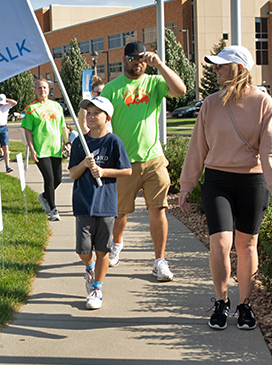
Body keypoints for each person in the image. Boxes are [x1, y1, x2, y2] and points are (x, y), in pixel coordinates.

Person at [178, 45, 272, 330]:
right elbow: (197, 147)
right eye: (214, 66)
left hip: (252, 180)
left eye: (220, 66)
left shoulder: (262, 102)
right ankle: (222, 301)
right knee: (220, 243)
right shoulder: (210, 104)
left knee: (247, 245)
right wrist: (186, 184)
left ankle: (245, 304)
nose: (215, 70)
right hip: (217, 181)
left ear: (238, 68)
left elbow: (270, 148)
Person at [100, 41, 186, 279]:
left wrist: (160, 64)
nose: (138, 62)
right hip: (124, 163)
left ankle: (160, 260)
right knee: (120, 213)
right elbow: (102, 121)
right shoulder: (112, 89)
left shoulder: (155, 82)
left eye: (142, 58)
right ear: (125, 59)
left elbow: (180, 90)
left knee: (158, 209)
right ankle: (116, 244)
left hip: (154, 159)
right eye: (133, 58)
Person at [69, 97, 131, 309]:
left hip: (106, 204)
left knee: (103, 249)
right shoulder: (80, 142)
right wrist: (84, 164)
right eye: (89, 112)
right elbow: (72, 174)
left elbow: (127, 170)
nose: (91, 116)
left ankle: (97, 288)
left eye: (97, 112)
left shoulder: (113, 142)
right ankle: (90, 267)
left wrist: (103, 172)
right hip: (84, 203)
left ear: (107, 117)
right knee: (83, 250)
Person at [23, 79, 69, 221]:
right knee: (49, 178)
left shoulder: (56, 106)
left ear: (49, 90)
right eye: (39, 88)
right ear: (35, 90)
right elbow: (28, 131)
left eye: (44, 88)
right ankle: (53, 209)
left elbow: (63, 127)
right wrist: (31, 149)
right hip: (41, 150)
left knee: (58, 179)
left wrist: (67, 142)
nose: (42, 90)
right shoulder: (31, 109)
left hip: (55, 149)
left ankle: (44, 196)